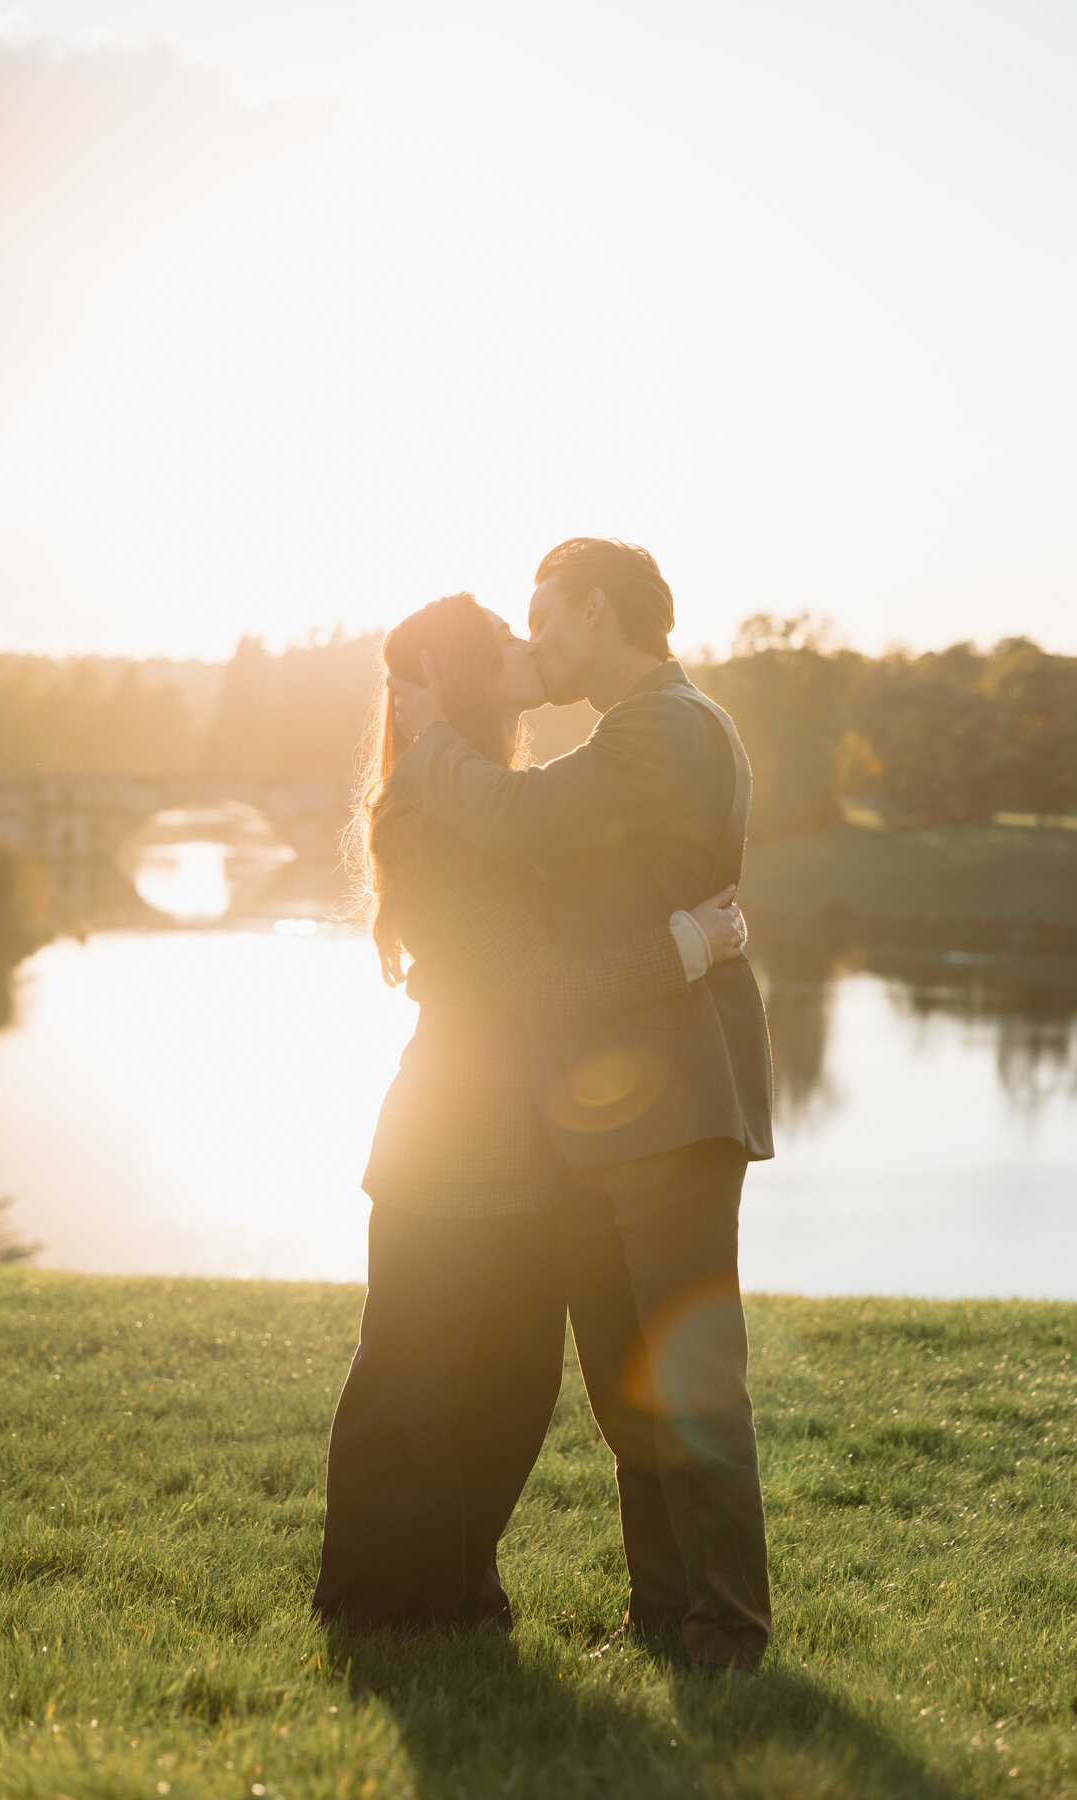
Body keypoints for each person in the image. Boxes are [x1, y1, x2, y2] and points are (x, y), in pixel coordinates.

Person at [311, 590, 749, 1634]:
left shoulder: (489, 795)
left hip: (524, 1147)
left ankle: (459, 1587)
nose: (530, 646)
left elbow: (554, 844)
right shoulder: (431, 815)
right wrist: (685, 947)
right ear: (461, 679)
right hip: (450, 1143)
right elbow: (535, 993)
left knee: (507, 1387)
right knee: (417, 1379)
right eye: (507, 640)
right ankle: (383, 1603)